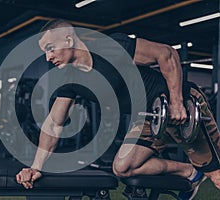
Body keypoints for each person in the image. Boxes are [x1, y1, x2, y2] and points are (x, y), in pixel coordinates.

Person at [16, 19, 220, 199]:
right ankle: (190, 172)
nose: (47, 57)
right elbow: (54, 123)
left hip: (181, 104)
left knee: (217, 176)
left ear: (69, 40)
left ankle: (207, 170)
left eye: (50, 48)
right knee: (124, 167)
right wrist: (36, 167)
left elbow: (166, 54)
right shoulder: (68, 80)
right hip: (150, 117)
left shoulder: (110, 47)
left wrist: (176, 102)